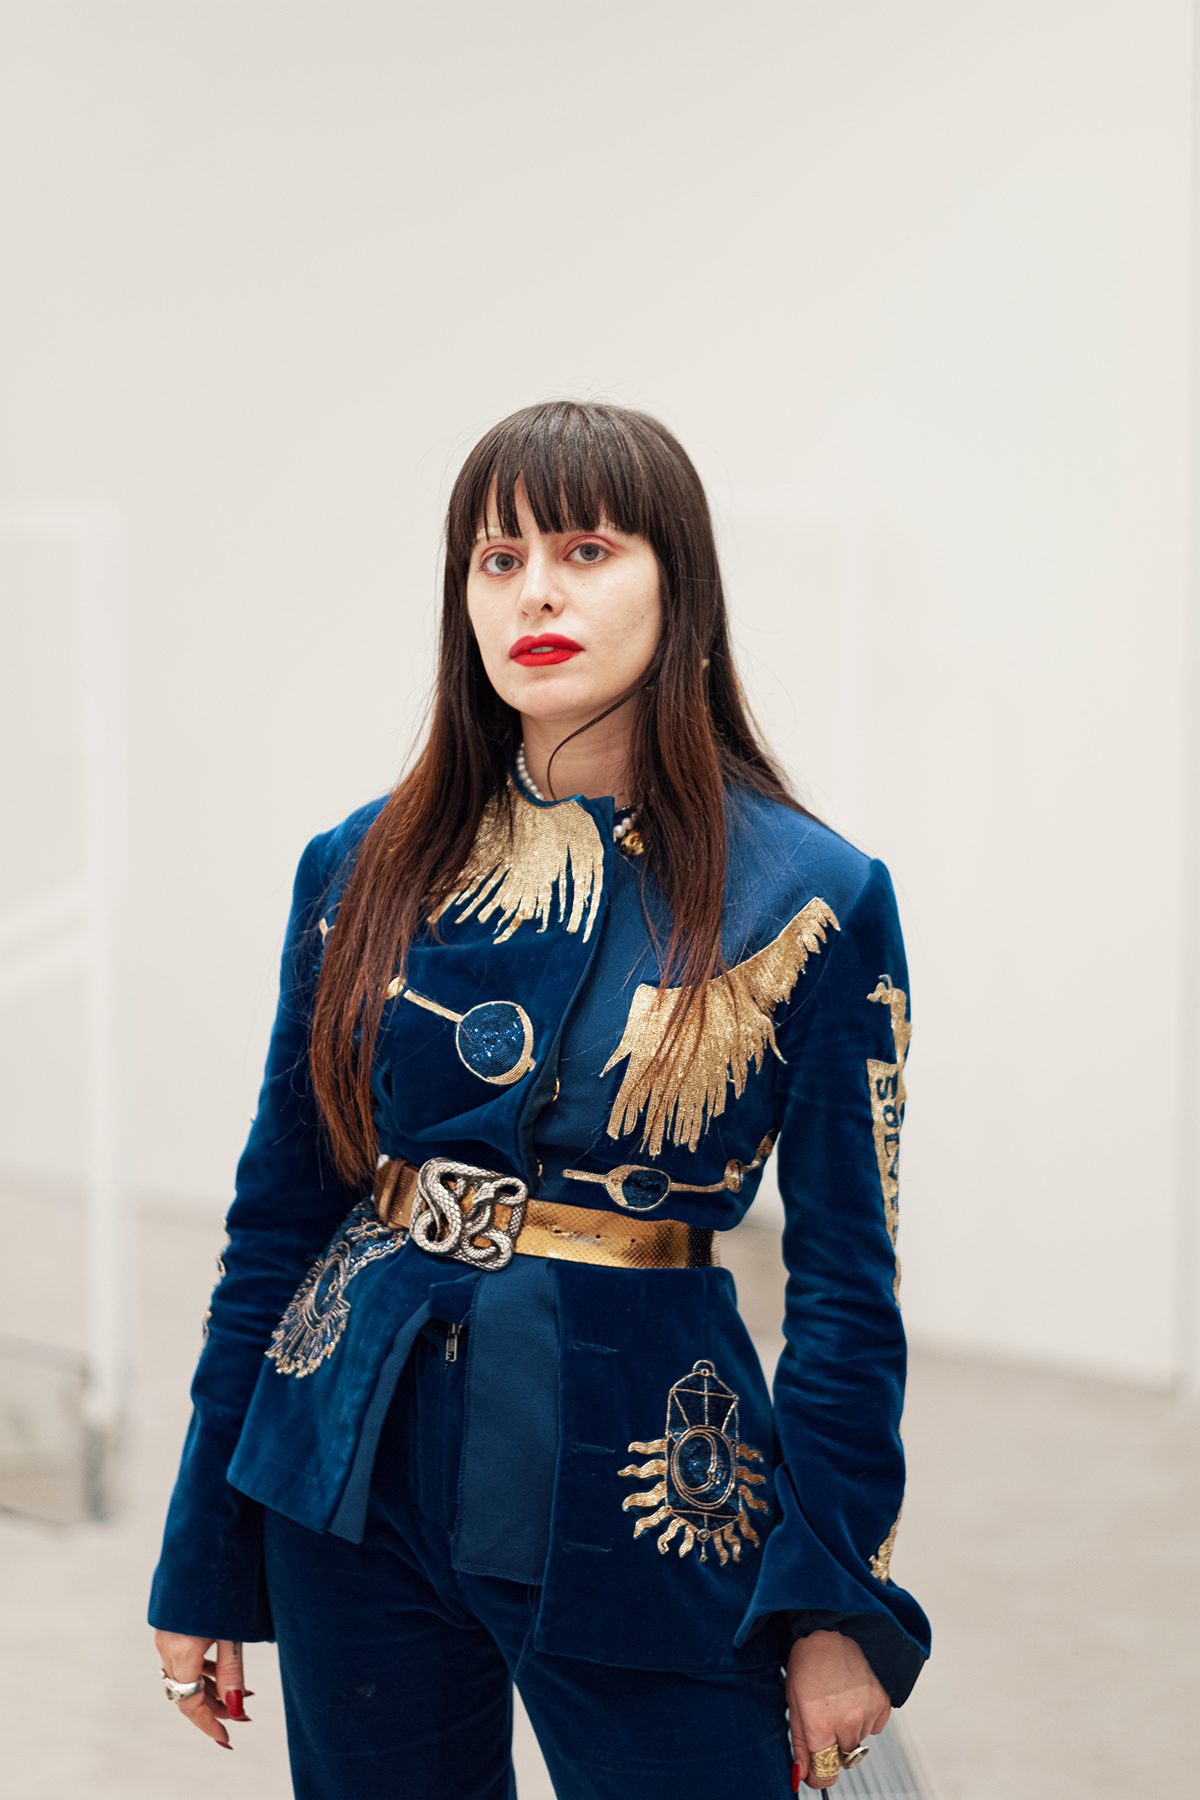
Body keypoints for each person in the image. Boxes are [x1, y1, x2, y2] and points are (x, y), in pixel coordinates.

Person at [148, 398, 932, 1798]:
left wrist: (833, 1604)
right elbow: (277, 1219)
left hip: (651, 1483)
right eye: (497, 560)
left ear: (676, 584)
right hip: (348, 1474)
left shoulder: (812, 894)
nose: (538, 593)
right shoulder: (360, 865)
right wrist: (204, 1547)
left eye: (585, 548)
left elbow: (846, 1293)